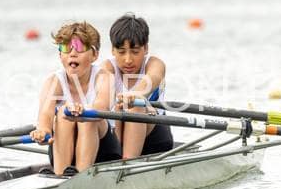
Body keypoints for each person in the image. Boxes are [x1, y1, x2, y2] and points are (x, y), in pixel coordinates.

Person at [29, 21, 121, 175]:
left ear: (94, 55)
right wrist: (43, 132)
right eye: (66, 48)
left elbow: (102, 106)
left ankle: (81, 175)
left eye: (79, 47)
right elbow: (45, 114)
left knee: (87, 115)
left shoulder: (104, 77)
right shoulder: (53, 81)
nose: (72, 53)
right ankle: (60, 175)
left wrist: (82, 111)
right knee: (63, 113)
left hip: (104, 152)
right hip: (63, 154)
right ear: (60, 55)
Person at [103, 13, 173, 159]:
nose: (128, 60)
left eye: (135, 52)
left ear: (145, 48)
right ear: (113, 50)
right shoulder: (107, 67)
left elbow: (151, 79)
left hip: (154, 138)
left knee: (136, 104)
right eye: (121, 52)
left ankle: (126, 163)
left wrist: (135, 95)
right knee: (118, 109)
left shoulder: (154, 64)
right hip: (118, 134)